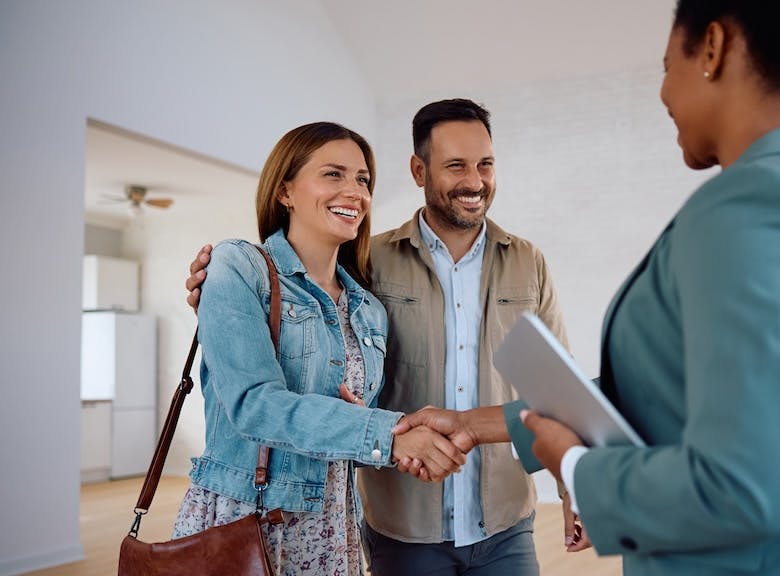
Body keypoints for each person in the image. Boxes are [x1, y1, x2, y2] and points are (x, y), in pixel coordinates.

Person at [512, 1, 780, 574]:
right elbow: (674, 390)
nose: (663, 92)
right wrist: (482, 424)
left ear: (712, 47)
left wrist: (575, 468)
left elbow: (736, 489)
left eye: (668, 65)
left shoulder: (751, 207)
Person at [185, 101, 581, 576]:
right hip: (347, 524)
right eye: (455, 164)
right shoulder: (367, 264)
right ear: (418, 170)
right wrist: (218, 301)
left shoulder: (368, 299)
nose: (474, 181)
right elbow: (260, 395)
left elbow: (559, 390)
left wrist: (571, 480)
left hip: (482, 521)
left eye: (485, 164)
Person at [173, 122, 465, 576]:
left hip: (334, 531)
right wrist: (387, 433)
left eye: (363, 179)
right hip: (247, 524)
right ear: (285, 190)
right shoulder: (237, 266)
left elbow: (346, 433)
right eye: (334, 174)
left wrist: (397, 446)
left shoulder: (368, 309)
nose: (355, 191)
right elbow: (253, 406)